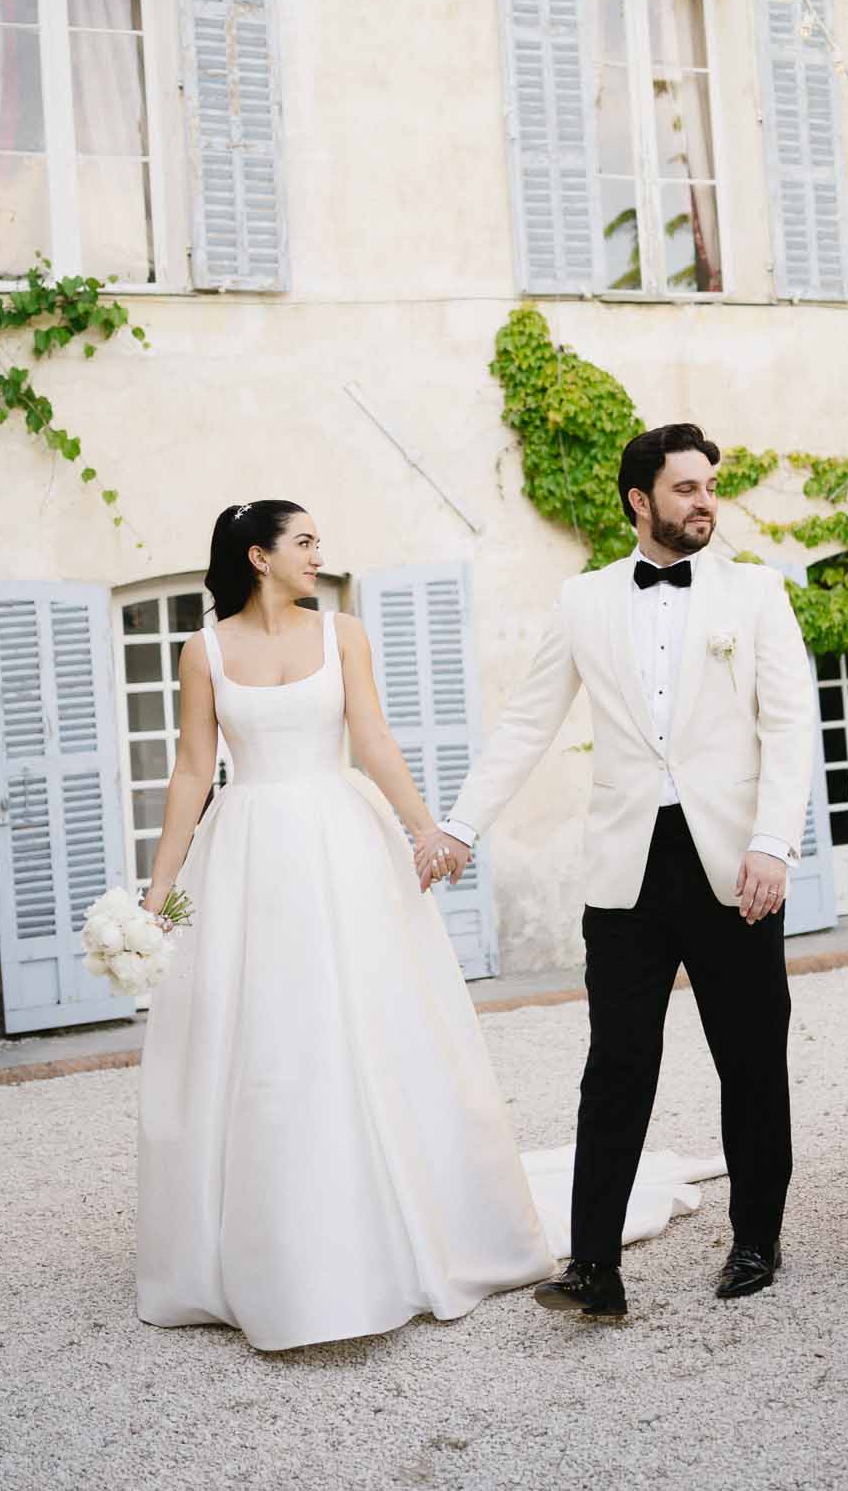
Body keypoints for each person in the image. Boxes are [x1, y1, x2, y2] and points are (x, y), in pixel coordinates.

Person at [414, 424, 817, 1321]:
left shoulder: (756, 594)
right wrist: (460, 826)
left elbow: (791, 726)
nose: (704, 501)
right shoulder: (583, 601)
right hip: (626, 873)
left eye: (710, 486)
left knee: (750, 1060)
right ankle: (593, 1266)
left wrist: (773, 844)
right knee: (616, 1065)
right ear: (640, 501)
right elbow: (526, 725)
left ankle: (756, 1239)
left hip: (734, 866)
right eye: (684, 489)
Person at [135, 499, 554, 1349]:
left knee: (366, 1018)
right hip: (248, 850)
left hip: (340, 842)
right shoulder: (203, 651)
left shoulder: (344, 634)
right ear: (258, 557)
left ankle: (398, 1223)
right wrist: (159, 889)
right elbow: (190, 772)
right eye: (304, 542)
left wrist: (425, 828)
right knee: (266, 1035)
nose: (318, 555)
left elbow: (373, 738)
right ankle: (270, 1246)